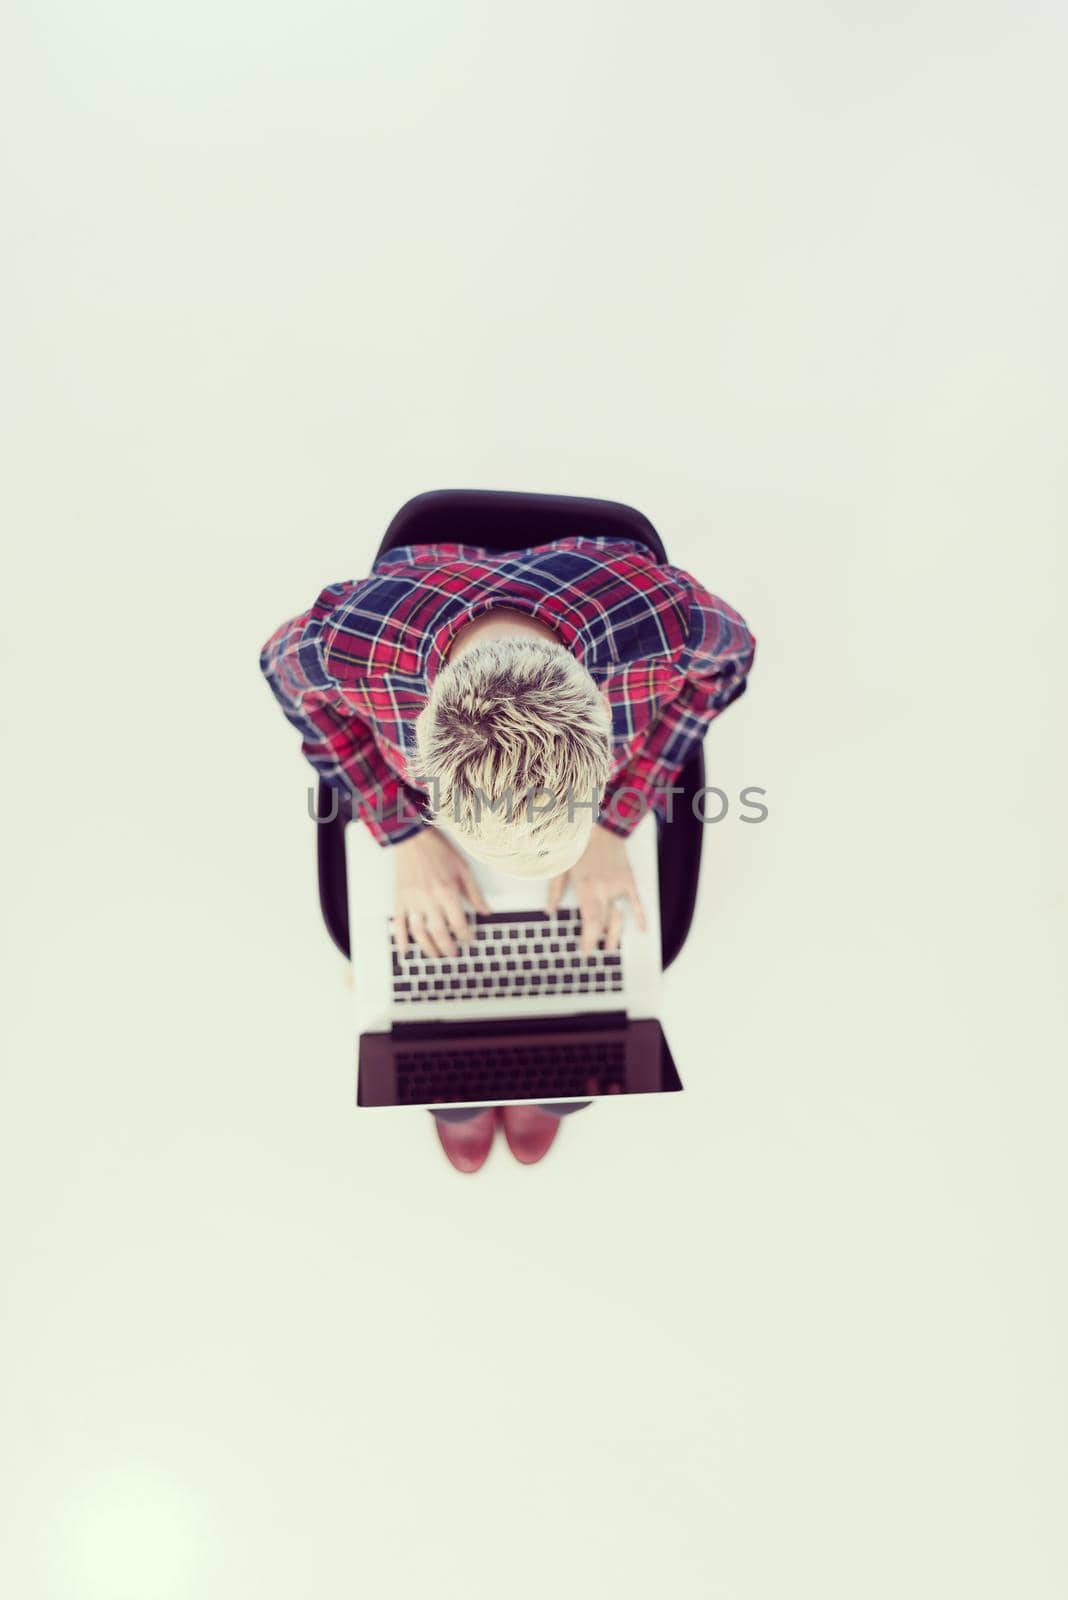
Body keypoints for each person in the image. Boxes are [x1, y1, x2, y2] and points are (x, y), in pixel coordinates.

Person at [260, 533, 756, 1172]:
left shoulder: (669, 622)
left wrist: (612, 824)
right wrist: (404, 833)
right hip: (427, 834)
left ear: (602, 739)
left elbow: (731, 660)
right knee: (434, 1055)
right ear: (421, 762)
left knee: (579, 1053)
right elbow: (281, 671)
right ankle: (463, 1103)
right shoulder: (344, 644)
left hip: (594, 812)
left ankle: (547, 1097)